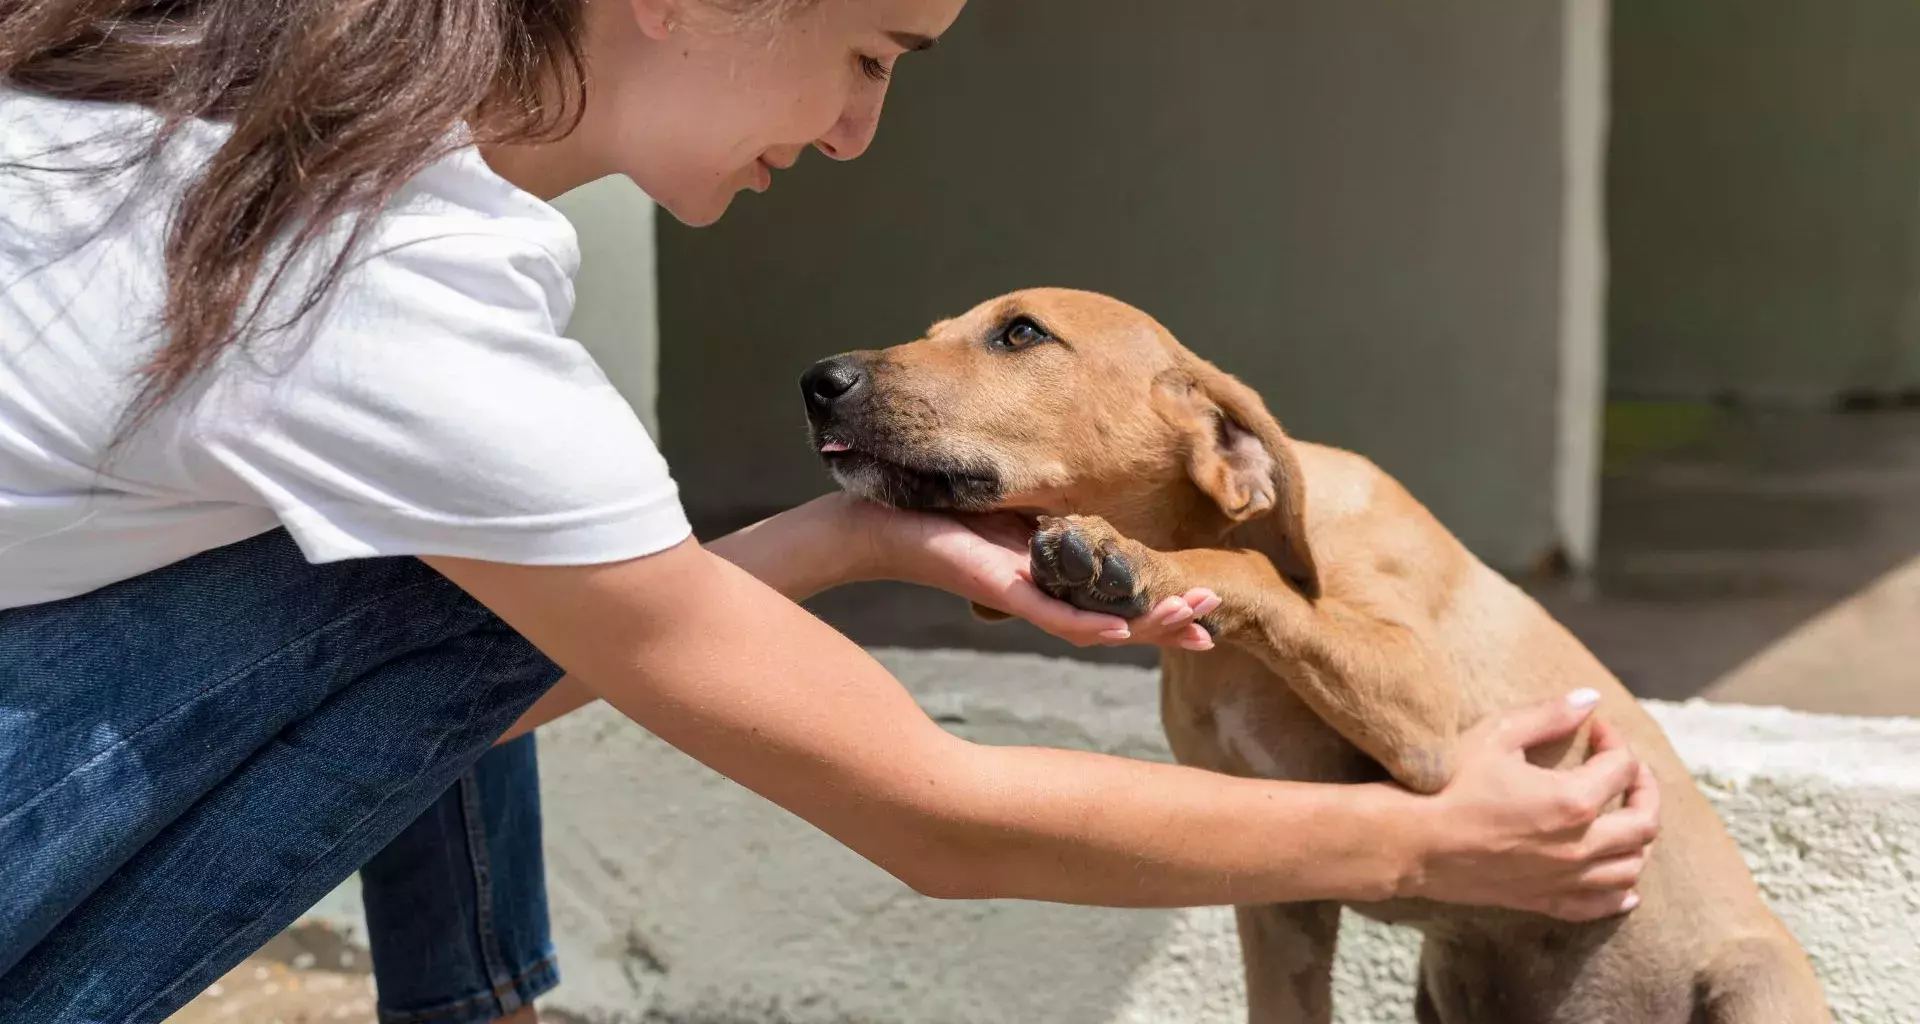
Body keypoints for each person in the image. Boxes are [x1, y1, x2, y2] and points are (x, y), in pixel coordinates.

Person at [0, 1, 1661, 1022]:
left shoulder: (228, 102)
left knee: (483, 559)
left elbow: (557, 636)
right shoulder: (387, 291)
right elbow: (932, 813)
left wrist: (861, 535)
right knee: (450, 564)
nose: (860, 134)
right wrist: (1435, 840)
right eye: (868, 58)